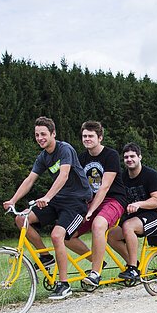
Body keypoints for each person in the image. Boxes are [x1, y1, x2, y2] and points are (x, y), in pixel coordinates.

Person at [3, 116, 92, 300]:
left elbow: (64, 175)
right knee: (21, 219)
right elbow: (30, 180)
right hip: (58, 199)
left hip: (76, 201)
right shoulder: (43, 157)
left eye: (43, 134)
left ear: (53, 134)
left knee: (57, 235)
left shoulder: (64, 149)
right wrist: (13, 200)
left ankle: (64, 284)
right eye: (37, 135)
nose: (40, 138)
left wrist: (47, 197)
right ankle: (45, 256)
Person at [65, 121, 127, 288]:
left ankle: (95, 273)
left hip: (113, 200)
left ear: (100, 137)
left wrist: (91, 210)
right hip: (91, 202)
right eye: (84, 136)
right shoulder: (81, 158)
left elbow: (105, 186)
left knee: (98, 225)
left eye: (91, 136)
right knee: (66, 235)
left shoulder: (110, 155)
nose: (87, 139)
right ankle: (97, 260)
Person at [108, 142, 157, 282]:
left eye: (132, 156)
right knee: (110, 235)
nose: (129, 159)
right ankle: (134, 265)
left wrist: (138, 204)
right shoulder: (123, 178)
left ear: (140, 157)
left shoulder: (151, 175)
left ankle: (133, 268)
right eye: (126, 157)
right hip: (135, 217)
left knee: (128, 226)